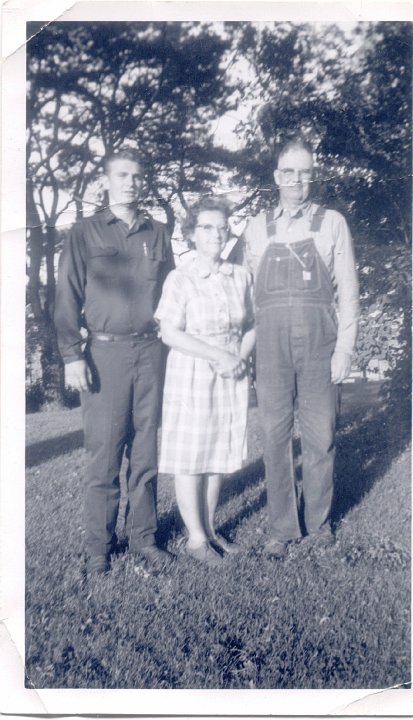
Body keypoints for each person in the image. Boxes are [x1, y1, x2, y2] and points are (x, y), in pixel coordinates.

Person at [54, 148, 175, 577]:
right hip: (104, 354)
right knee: (104, 453)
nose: (131, 182)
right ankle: (99, 547)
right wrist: (71, 355)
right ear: (106, 181)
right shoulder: (83, 233)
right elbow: (66, 294)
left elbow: (173, 300)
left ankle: (144, 537)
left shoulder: (159, 234)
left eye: (138, 176)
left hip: (152, 352)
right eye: (122, 175)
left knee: (145, 451)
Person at [242, 136, 360, 557]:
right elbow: (244, 296)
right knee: (274, 439)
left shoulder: (333, 223)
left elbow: (348, 293)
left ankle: (320, 526)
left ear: (313, 176)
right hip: (270, 349)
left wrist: (345, 349)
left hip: (319, 346)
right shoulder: (255, 227)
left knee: (320, 438)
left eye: (304, 172)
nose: (296, 180)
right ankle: (282, 529)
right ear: (276, 176)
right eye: (288, 172)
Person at [155, 196, 256, 566]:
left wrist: (238, 359)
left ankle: (211, 530)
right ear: (192, 234)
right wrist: (218, 356)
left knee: (217, 456)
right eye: (207, 227)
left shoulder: (240, 276)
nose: (217, 233)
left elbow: (252, 326)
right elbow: (169, 333)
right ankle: (195, 540)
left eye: (222, 226)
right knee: (190, 458)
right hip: (192, 373)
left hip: (230, 373)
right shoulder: (180, 278)